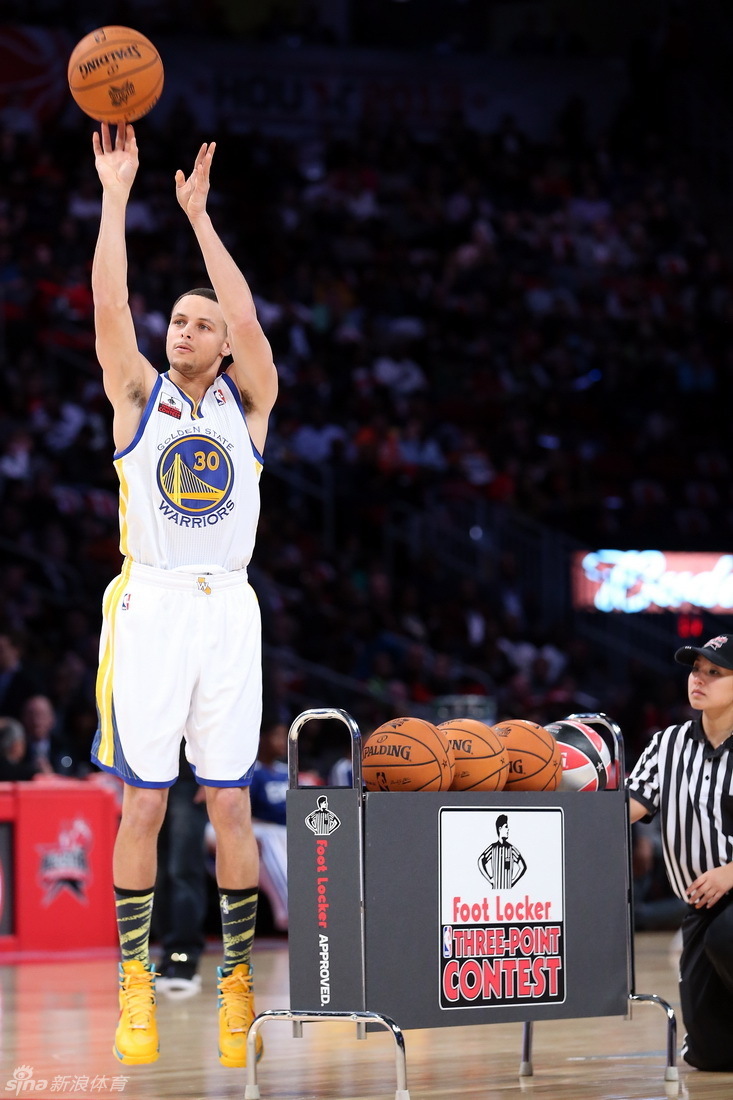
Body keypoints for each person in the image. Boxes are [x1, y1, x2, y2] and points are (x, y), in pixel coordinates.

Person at [88, 122, 278, 1068]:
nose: (185, 329)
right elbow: (110, 304)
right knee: (144, 808)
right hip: (155, 606)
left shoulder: (249, 405)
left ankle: (237, 983)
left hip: (228, 609)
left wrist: (199, 218)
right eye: (178, 320)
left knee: (231, 807)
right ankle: (134, 988)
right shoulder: (137, 393)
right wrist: (119, 194)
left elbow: (248, 322)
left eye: (198, 322)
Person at [628, 633, 733, 1072]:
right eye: (695, 670)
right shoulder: (666, 744)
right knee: (709, 1056)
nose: (699, 679)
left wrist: (731, 872)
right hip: (700, 908)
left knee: (726, 936)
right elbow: (626, 809)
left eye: (714, 672)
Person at [153, 748, 209, 998]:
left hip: (190, 775)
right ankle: (167, 955)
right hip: (151, 772)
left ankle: (184, 956)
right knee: (157, 871)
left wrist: (209, 774)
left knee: (183, 868)